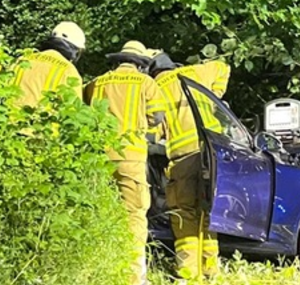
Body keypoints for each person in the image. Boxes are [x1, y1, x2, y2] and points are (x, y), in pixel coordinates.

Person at [85, 41, 164, 285]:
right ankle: (132, 277)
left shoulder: (97, 83)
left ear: (118, 61)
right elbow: (157, 117)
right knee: (134, 215)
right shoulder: (147, 83)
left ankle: (99, 271)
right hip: (131, 157)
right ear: (141, 65)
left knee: (101, 213)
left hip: (99, 158)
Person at [149, 54, 231, 280]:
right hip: (212, 155)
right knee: (208, 211)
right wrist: (215, 98)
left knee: (184, 213)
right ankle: (210, 270)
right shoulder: (195, 72)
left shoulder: (156, 88)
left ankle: (188, 272)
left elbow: (155, 132)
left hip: (183, 159)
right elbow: (223, 67)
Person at [11, 21, 86, 106]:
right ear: (75, 51)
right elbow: (74, 111)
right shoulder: (68, 71)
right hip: (41, 118)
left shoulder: (22, 60)